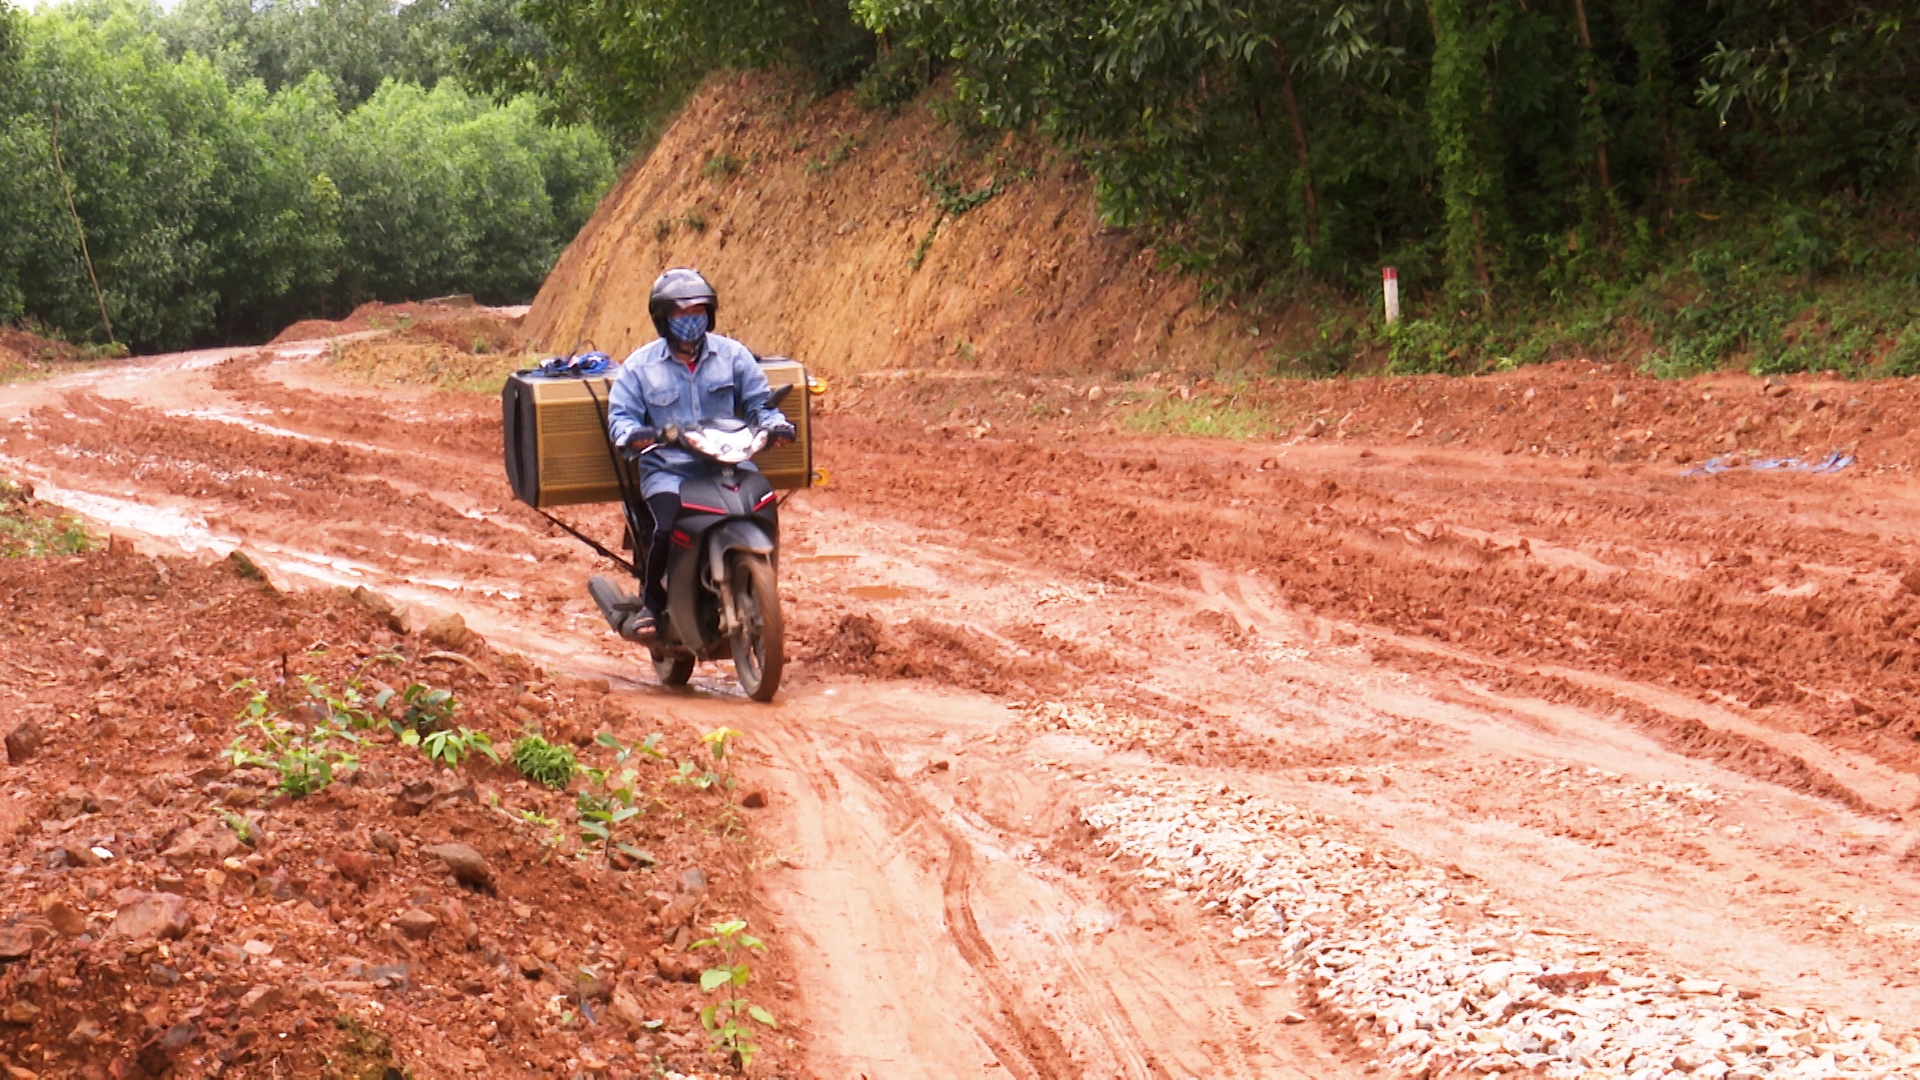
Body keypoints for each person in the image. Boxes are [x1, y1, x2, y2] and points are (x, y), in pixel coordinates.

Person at [594, 268, 794, 639]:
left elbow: (759, 404)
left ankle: (756, 588)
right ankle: (652, 603)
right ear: (663, 318)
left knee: (763, 504)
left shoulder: (734, 355)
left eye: (698, 311)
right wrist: (639, 435)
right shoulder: (640, 368)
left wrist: (775, 424)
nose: (691, 321)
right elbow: (620, 420)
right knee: (667, 528)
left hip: (729, 463)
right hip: (670, 471)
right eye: (681, 314)